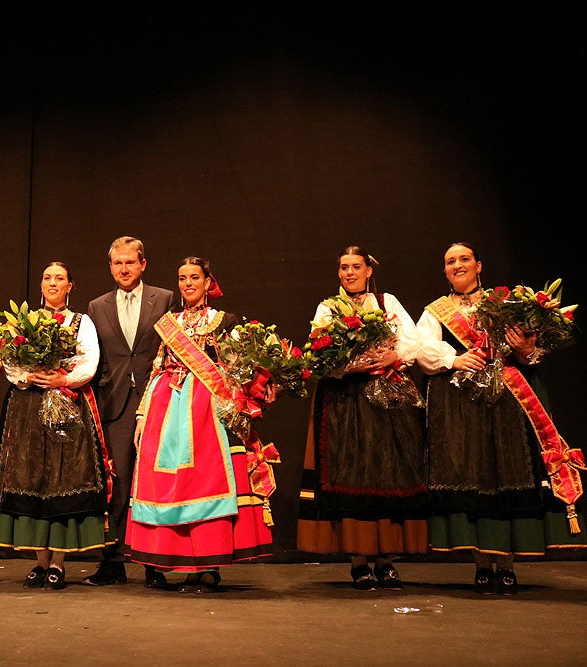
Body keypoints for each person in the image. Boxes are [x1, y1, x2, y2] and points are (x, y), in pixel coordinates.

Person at [415, 242, 587, 594]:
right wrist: (455, 360)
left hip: (507, 403)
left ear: (479, 265)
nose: (457, 265)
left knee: (505, 473)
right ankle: (481, 564)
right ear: (445, 271)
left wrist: (526, 349)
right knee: (473, 476)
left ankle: (507, 564)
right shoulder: (436, 311)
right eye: (450, 261)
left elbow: (530, 354)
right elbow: (422, 349)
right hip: (461, 405)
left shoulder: (507, 304)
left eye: (464, 259)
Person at [126, 256, 275, 593]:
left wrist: (254, 391)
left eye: (195, 277)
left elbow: (240, 366)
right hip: (166, 407)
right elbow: (155, 368)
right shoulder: (168, 322)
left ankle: (207, 567)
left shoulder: (224, 321)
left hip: (207, 408)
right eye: (182, 278)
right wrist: (141, 414)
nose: (188, 283)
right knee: (170, 484)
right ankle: (174, 558)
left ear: (209, 282)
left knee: (204, 483)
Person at [296, 246, 428, 591]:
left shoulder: (387, 303)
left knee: (388, 470)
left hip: (386, 399)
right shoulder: (328, 308)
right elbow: (318, 354)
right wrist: (351, 364)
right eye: (344, 268)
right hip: (345, 401)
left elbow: (413, 341)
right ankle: (358, 560)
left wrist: (393, 354)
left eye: (356, 267)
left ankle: (387, 560)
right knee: (350, 469)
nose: (349, 273)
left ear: (369, 270)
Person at [0, 262, 111, 590]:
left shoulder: (82, 323)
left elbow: (89, 362)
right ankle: (40, 561)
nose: (53, 284)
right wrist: (28, 376)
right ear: (41, 285)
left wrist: (62, 378)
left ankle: (58, 563)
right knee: (31, 477)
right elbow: (8, 362)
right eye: (47, 278)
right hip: (26, 406)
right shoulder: (24, 323)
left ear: (70, 286)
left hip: (65, 404)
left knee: (60, 478)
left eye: (60, 279)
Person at [84, 236, 175, 587]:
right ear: (110, 266)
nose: (124, 269)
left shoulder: (165, 298)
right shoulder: (96, 305)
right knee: (118, 485)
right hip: (115, 403)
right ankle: (114, 561)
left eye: (130, 262)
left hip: (157, 401)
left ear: (143, 264)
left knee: (154, 483)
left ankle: (154, 563)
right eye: (117, 263)